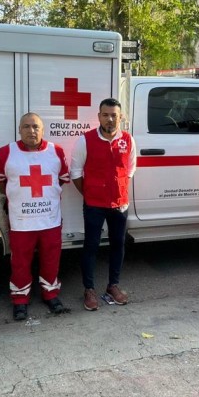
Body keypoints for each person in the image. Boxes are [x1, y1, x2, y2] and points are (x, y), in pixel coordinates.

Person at [0, 113, 70, 321]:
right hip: (21, 220)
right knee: (20, 262)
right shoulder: (7, 152)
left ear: (42, 130)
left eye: (36, 127)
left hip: (50, 219)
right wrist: (16, 196)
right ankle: (20, 300)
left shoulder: (56, 151)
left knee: (51, 258)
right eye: (26, 126)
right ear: (19, 130)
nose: (31, 131)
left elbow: (61, 180)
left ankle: (51, 295)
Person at [71, 98, 137, 311]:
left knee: (118, 245)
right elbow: (75, 173)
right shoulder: (85, 140)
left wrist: (117, 189)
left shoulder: (128, 140)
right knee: (91, 246)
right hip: (94, 204)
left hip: (119, 204)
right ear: (99, 116)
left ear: (120, 117)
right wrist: (90, 193)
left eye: (114, 115)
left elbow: (130, 169)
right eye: (105, 114)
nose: (110, 119)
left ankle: (113, 286)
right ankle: (89, 289)